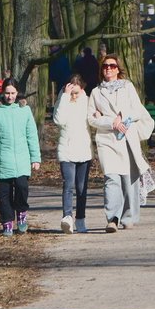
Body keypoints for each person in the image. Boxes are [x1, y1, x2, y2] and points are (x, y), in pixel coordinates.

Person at [88, 54, 155, 232]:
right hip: (107, 140)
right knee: (111, 179)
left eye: (112, 66)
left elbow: (137, 110)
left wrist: (122, 115)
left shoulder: (127, 87)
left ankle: (129, 217)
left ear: (118, 69)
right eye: (105, 66)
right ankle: (112, 218)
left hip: (127, 137)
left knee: (129, 179)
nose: (108, 69)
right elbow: (91, 118)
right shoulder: (96, 92)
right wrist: (109, 121)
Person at [0, 78, 42, 237]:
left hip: (22, 159)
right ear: (2, 93)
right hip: (3, 160)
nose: (10, 96)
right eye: (7, 93)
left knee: (22, 188)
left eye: (13, 93)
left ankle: (22, 213)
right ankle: (7, 222)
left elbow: (32, 136)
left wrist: (35, 158)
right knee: (5, 195)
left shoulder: (25, 110)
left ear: (18, 93)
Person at [52, 74, 92, 234]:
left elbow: (93, 120)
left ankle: (80, 219)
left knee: (82, 188)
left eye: (77, 92)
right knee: (68, 185)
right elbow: (59, 120)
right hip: (66, 150)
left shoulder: (88, 102)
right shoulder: (63, 101)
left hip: (84, 150)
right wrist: (65, 97)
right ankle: (67, 217)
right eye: (71, 92)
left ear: (82, 90)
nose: (74, 96)